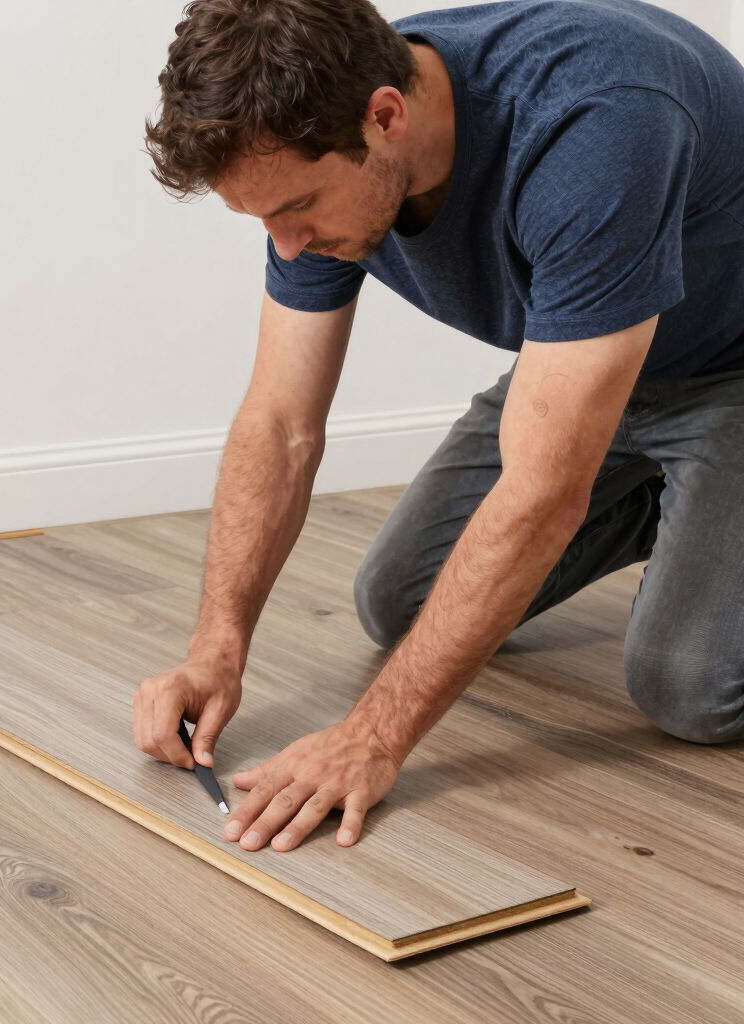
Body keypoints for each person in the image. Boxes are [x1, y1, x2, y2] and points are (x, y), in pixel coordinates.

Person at [132, 0, 744, 854]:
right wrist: (215, 646)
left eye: (299, 206)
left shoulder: (598, 127)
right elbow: (280, 422)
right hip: (587, 363)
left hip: (731, 370)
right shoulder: (317, 123)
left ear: (387, 117)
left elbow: (542, 490)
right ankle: (675, 515)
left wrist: (371, 739)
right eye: (263, 220)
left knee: (690, 686)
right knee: (398, 601)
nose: (289, 246)